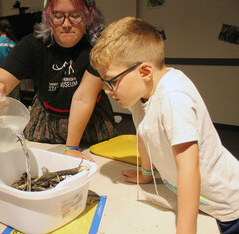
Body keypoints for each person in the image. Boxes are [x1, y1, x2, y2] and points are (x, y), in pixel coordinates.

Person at [90, 17, 239, 233]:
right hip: (203, 202)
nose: (107, 90)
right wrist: (146, 173)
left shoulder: (174, 98)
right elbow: (145, 133)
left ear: (144, 72)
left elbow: (189, 169)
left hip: (228, 206)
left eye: (112, 81)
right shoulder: (141, 94)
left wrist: (185, 230)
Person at [0, 0, 116, 161]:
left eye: (75, 16)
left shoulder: (99, 45)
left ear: (88, 16)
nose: (66, 24)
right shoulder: (33, 44)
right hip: (46, 118)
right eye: (58, 16)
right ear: (48, 17)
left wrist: (72, 147)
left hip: (90, 119)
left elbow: (84, 97)